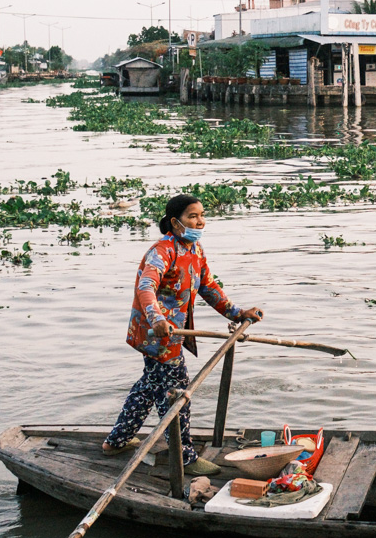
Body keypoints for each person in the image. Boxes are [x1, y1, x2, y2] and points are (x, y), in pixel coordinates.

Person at [102, 194, 263, 472]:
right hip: (156, 335)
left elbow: (209, 288)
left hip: (174, 335)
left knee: (150, 387)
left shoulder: (196, 251)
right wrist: (157, 319)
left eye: (202, 215)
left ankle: (116, 441)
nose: (200, 221)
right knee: (177, 392)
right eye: (193, 216)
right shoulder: (163, 251)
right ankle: (184, 457)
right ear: (176, 223)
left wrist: (238, 313)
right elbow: (146, 288)